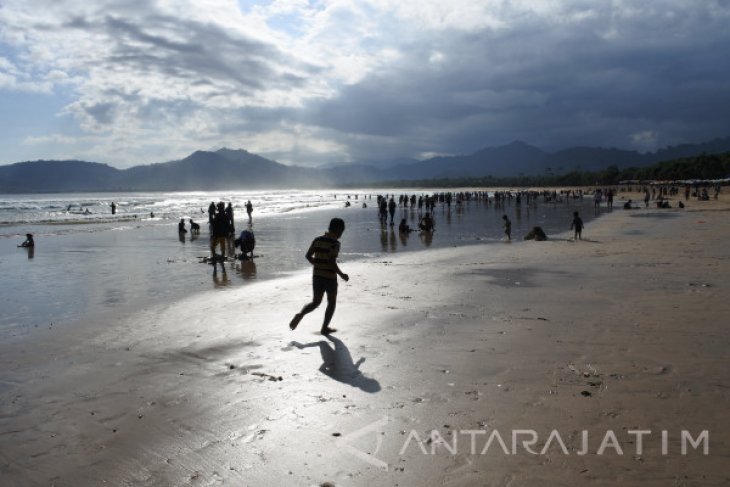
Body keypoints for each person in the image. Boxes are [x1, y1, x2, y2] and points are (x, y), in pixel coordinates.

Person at [289, 218, 349, 335]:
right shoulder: (335, 244)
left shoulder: (317, 240)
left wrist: (317, 265)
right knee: (331, 302)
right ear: (338, 230)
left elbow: (308, 256)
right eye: (341, 231)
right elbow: (332, 262)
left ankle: (301, 314)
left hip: (317, 276)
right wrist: (342, 275)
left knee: (315, 302)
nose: (341, 234)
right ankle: (324, 328)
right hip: (330, 278)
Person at [210, 202, 229, 273]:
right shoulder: (226, 215)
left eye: (218, 207)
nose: (217, 209)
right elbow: (228, 225)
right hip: (224, 234)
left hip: (218, 234)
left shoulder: (217, 216)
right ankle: (222, 258)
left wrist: (213, 234)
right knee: (223, 246)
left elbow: (214, 225)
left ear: (220, 208)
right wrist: (228, 233)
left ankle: (215, 258)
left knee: (212, 247)